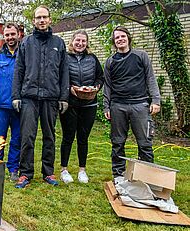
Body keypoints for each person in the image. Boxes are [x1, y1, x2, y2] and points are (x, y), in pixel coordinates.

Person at [12, 5, 69, 188]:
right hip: (29, 97)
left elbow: (64, 72)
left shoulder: (58, 43)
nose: (42, 20)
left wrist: (64, 97)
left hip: (51, 97)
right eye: (38, 17)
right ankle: (25, 173)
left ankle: (48, 172)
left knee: (49, 136)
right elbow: (18, 71)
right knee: (27, 136)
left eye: (45, 17)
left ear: (50, 19)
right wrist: (16, 96)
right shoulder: (26, 43)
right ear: (33, 21)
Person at [103, 26, 160, 183]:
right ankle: (118, 175)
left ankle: (146, 177)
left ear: (128, 38)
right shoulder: (110, 62)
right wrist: (106, 106)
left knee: (145, 142)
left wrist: (155, 100)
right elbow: (107, 86)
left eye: (122, 36)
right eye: (117, 38)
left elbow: (150, 78)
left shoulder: (141, 56)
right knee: (117, 143)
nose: (120, 39)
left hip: (140, 105)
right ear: (114, 42)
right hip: (117, 106)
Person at [59, 30, 104, 184]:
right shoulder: (65, 57)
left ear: (87, 43)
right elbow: (60, 77)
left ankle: (82, 170)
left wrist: (96, 87)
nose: (80, 43)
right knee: (68, 137)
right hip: (70, 104)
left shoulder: (92, 58)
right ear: (72, 41)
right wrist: (70, 88)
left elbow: (100, 77)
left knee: (83, 138)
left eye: (83, 41)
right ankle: (64, 169)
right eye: (78, 40)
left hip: (89, 104)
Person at [0, 23, 21, 181]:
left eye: (12, 34)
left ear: (18, 34)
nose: (10, 37)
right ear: (3, 36)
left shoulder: (25, 55)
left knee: (17, 138)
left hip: (20, 106)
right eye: (7, 35)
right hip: (0, 106)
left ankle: (13, 168)